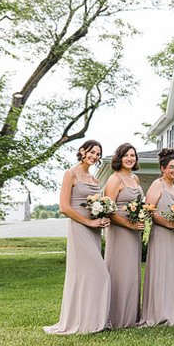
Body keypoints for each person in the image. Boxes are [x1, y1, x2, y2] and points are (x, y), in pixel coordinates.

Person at [44, 140, 111, 334]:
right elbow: (64, 207)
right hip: (80, 229)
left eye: (98, 154)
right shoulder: (70, 174)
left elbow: (96, 206)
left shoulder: (94, 179)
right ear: (82, 151)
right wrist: (89, 222)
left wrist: (102, 217)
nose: (94, 156)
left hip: (95, 231)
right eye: (91, 152)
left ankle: (91, 320)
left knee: (89, 276)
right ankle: (83, 322)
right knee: (100, 274)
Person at [139, 148, 174, 327]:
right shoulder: (157, 185)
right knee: (162, 272)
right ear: (162, 168)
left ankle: (173, 312)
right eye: (171, 167)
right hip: (161, 235)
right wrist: (168, 224)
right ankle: (159, 313)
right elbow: (148, 210)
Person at [103, 143, 145, 329]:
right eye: (127, 155)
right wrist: (129, 224)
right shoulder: (114, 180)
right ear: (119, 158)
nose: (130, 158)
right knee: (119, 272)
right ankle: (117, 317)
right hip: (120, 232)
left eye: (133, 155)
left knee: (132, 274)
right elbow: (108, 212)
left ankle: (131, 316)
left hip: (134, 233)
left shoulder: (135, 179)